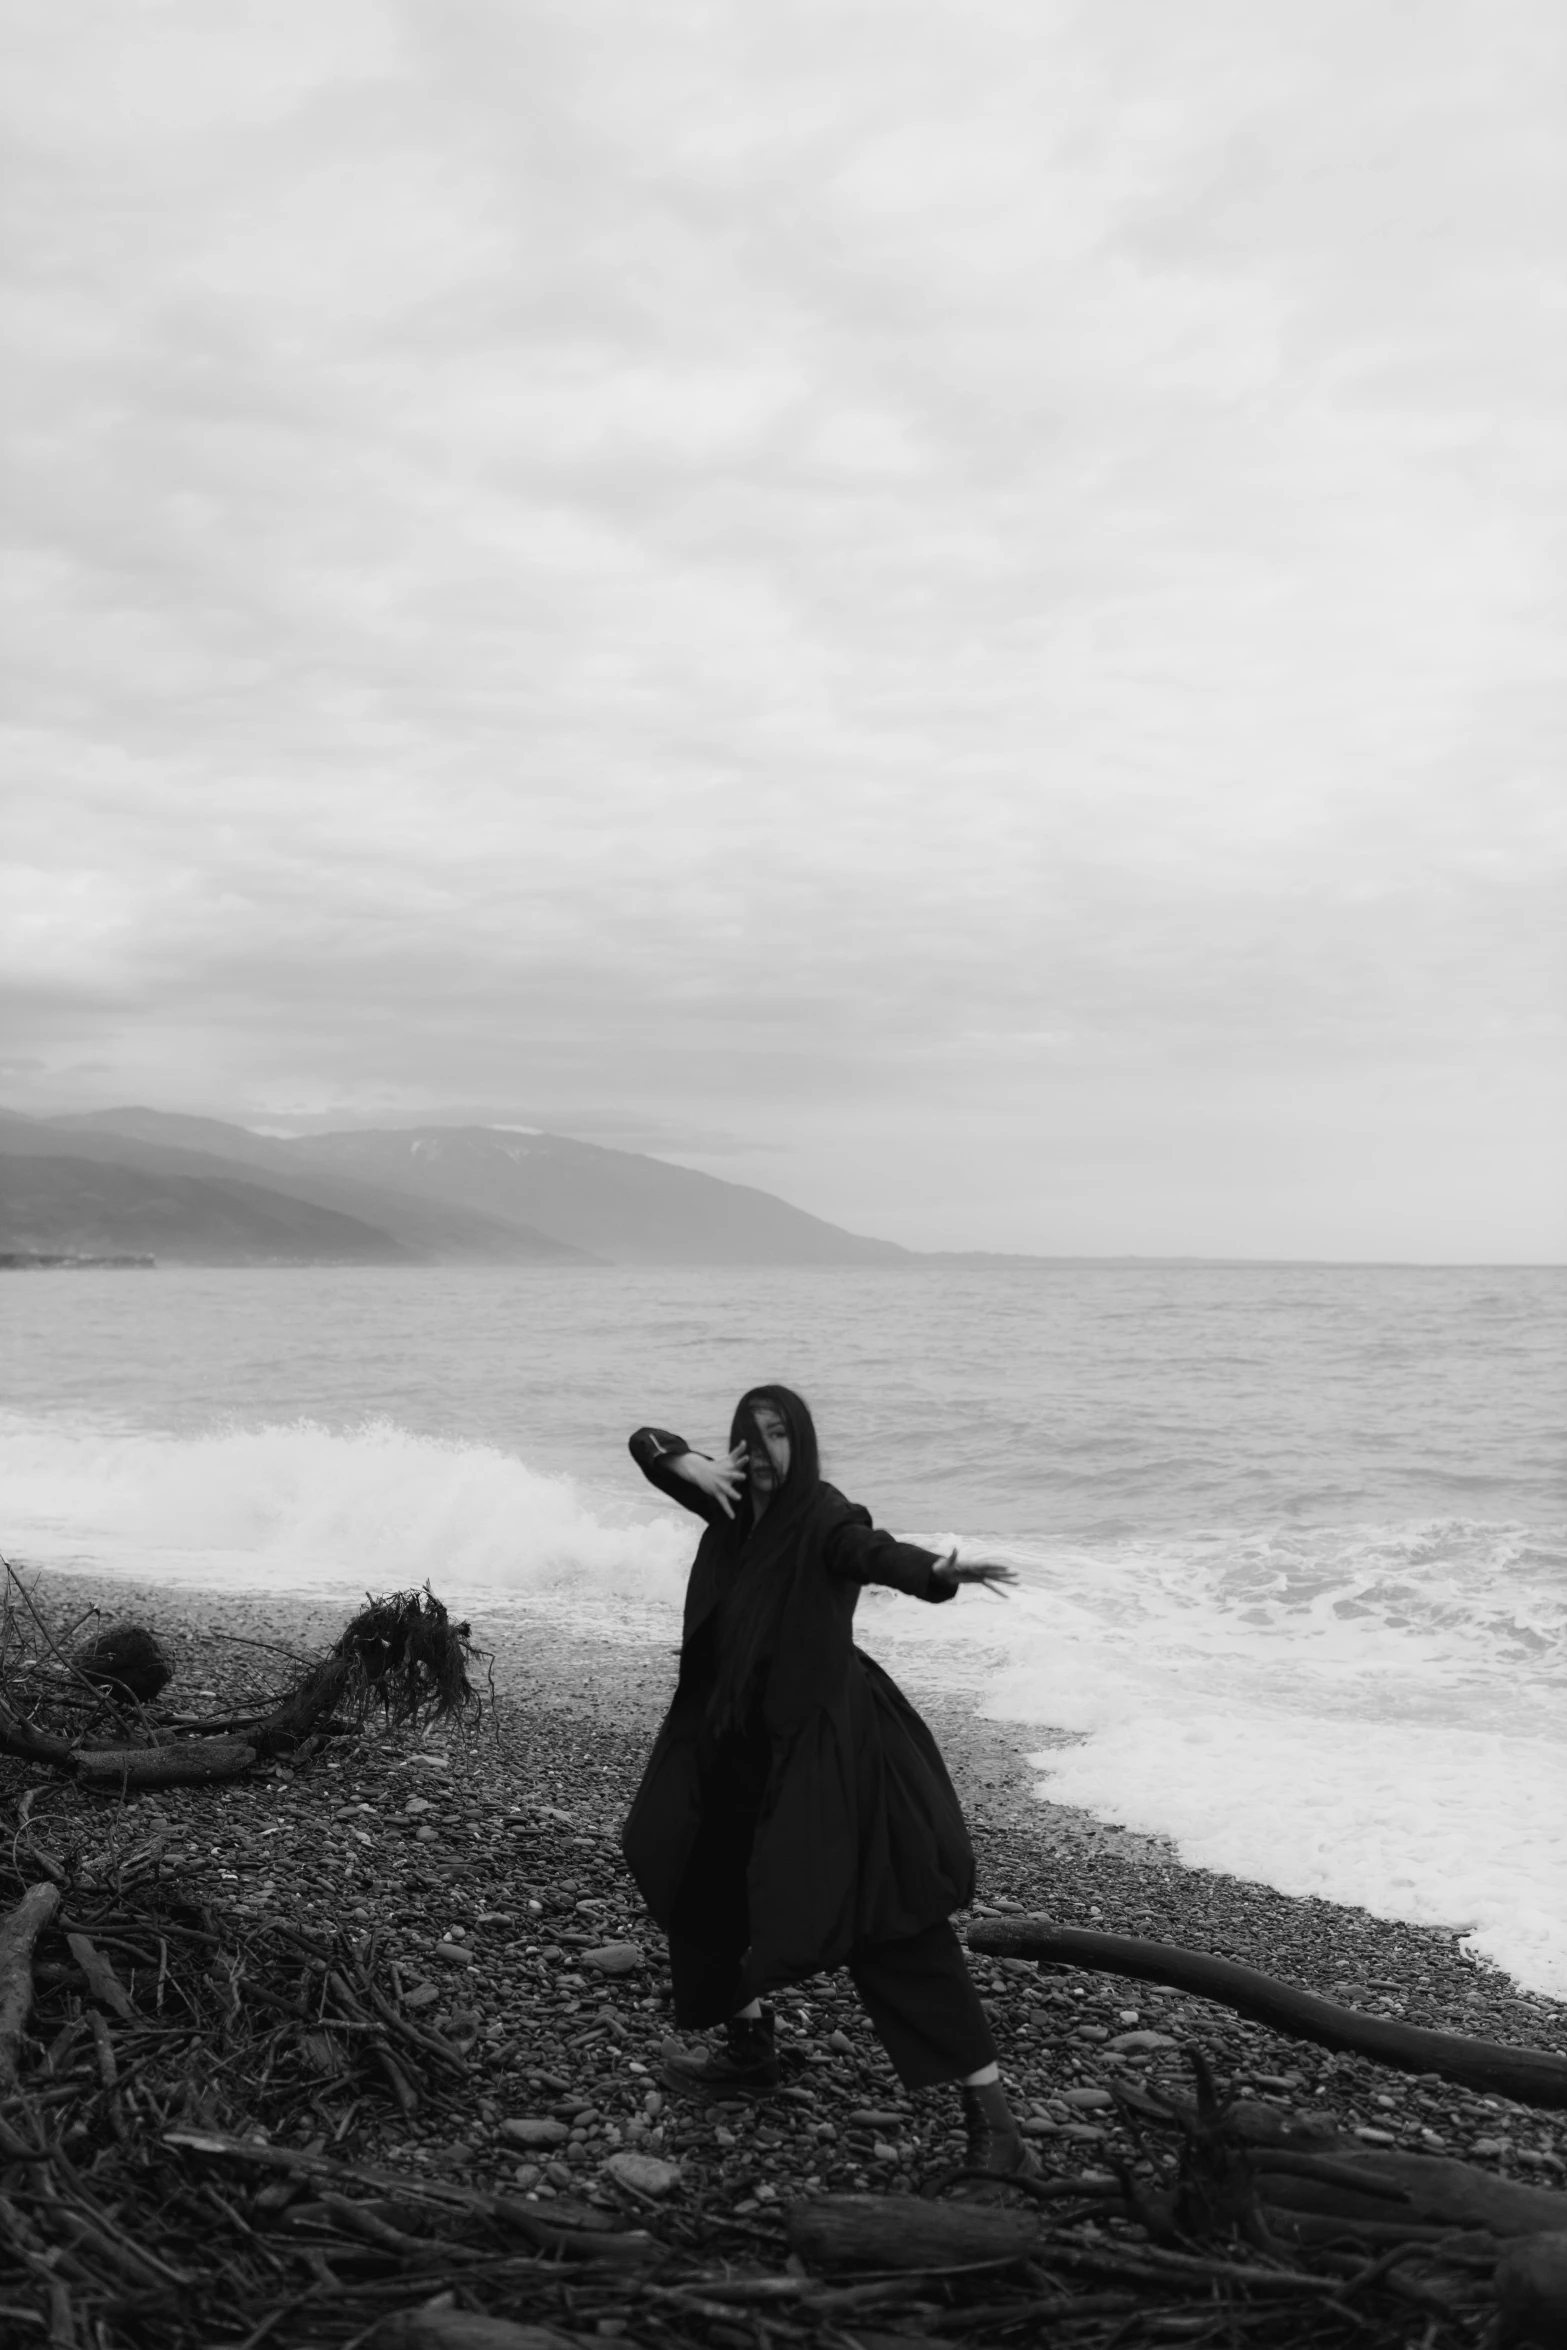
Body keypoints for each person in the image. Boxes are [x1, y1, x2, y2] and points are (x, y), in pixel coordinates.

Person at [620, 1383, 1040, 2184]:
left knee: (886, 1922)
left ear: (801, 1441)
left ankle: (997, 2127)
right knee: (701, 1879)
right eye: (750, 1435)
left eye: (779, 1434)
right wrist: (687, 1463)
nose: (765, 1449)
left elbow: (869, 1552)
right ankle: (748, 2051)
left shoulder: (822, 1514)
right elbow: (642, 1439)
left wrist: (936, 1574)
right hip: (734, 1742)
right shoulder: (730, 1503)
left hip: (826, 1749)